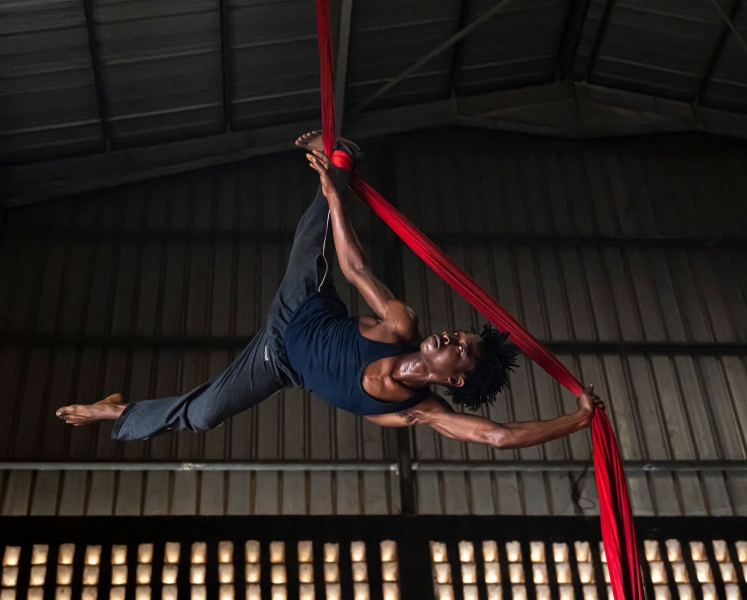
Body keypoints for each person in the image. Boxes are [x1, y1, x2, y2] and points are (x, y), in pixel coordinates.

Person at [57, 131, 605, 447]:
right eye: (460, 332)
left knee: (201, 416)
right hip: (303, 309)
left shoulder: (420, 409)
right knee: (310, 237)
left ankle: (116, 411)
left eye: (462, 347)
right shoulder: (401, 324)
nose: (453, 336)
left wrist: (579, 419)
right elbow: (355, 268)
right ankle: (340, 161)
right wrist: (335, 195)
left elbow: (498, 437)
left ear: (456, 376)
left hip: (280, 362)